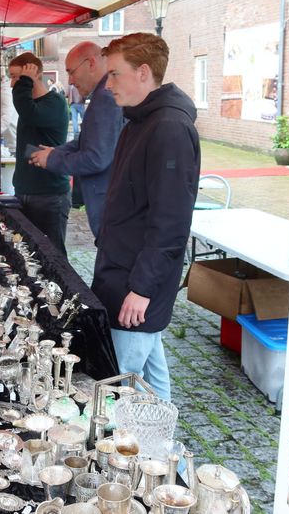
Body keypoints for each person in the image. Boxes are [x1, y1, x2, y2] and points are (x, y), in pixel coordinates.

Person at [91, 33, 200, 401]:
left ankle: (140, 453)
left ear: (142, 72)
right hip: (122, 270)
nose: (107, 85)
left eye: (114, 74)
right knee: (152, 376)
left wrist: (141, 288)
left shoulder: (169, 128)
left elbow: (171, 222)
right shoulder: (140, 120)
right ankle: (170, 455)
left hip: (135, 282)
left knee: (122, 385)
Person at [28, 41, 124, 238]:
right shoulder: (100, 96)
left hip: (110, 205)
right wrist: (55, 153)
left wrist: (53, 159)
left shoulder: (105, 97)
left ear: (90, 63)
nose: (70, 80)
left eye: (72, 72)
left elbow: (96, 158)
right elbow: (86, 142)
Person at [10, 52, 70, 254]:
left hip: (49, 195)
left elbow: (28, 112)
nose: (13, 85)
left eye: (16, 77)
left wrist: (25, 81)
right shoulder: (28, 106)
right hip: (25, 191)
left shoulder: (54, 102)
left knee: (54, 254)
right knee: (28, 251)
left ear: (33, 75)